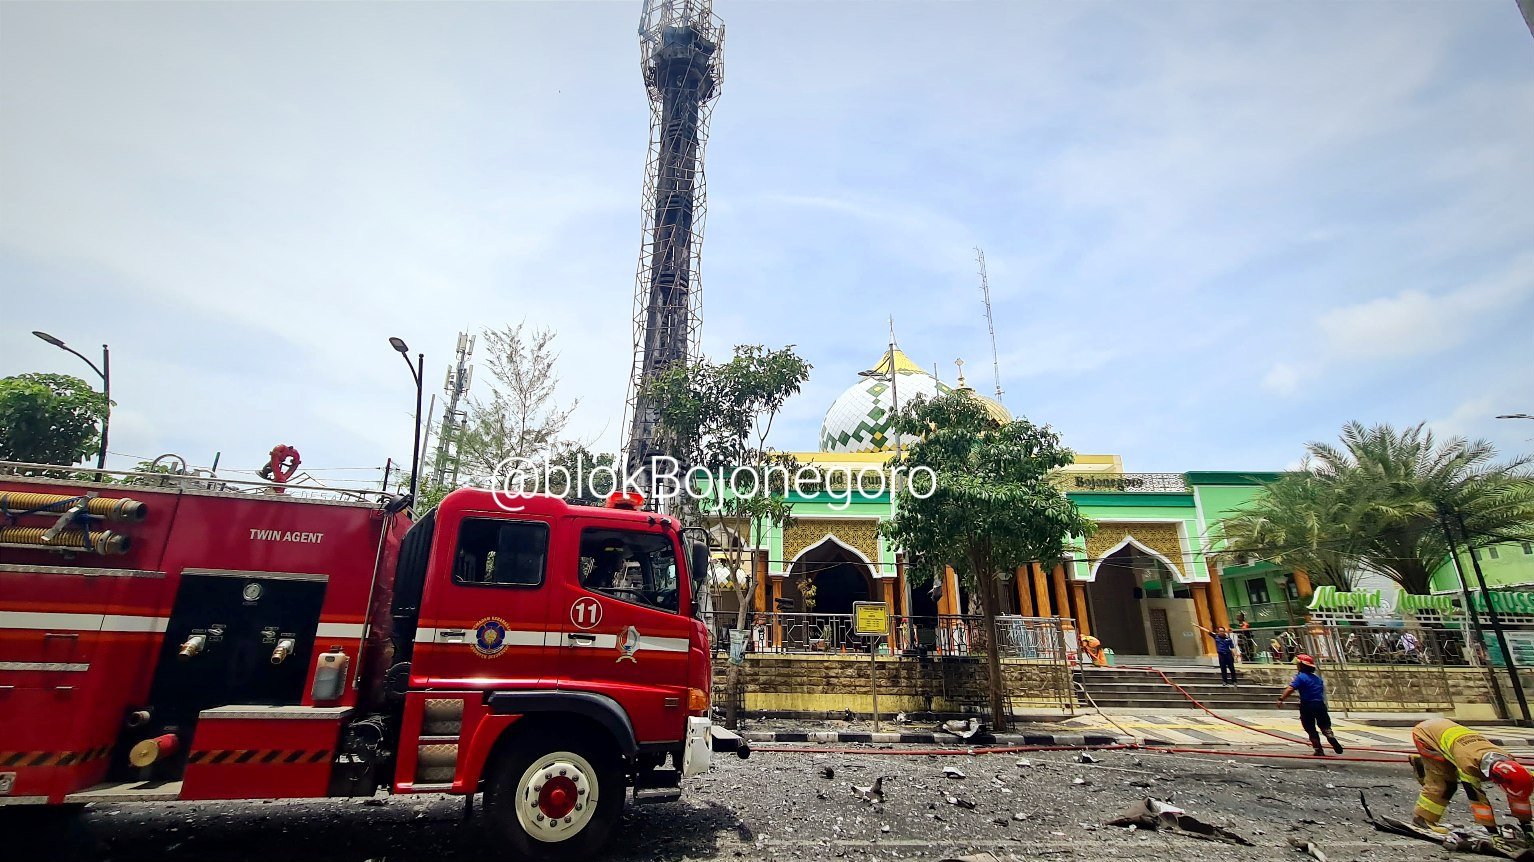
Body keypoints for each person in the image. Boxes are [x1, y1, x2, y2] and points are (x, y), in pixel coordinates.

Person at [1409, 718, 1533, 838]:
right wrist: (1492, 832)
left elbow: (1519, 796)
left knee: (1453, 765)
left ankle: (1423, 764)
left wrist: (1526, 827)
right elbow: (1476, 798)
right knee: (1445, 784)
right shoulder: (1469, 765)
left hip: (1446, 732)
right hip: (1427, 735)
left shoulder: (1511, 762)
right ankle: (1422, 820)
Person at [1276, 654, 1345, 756]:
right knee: (1325, 725)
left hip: (1307, 705)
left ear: (1301, 666)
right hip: (1320, 704)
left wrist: (1281, 699)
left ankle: (1318, 749)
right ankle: (1329, 735)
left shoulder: (1301, 678)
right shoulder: (1318, 679)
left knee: (1310, 727)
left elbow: (1291, 688)